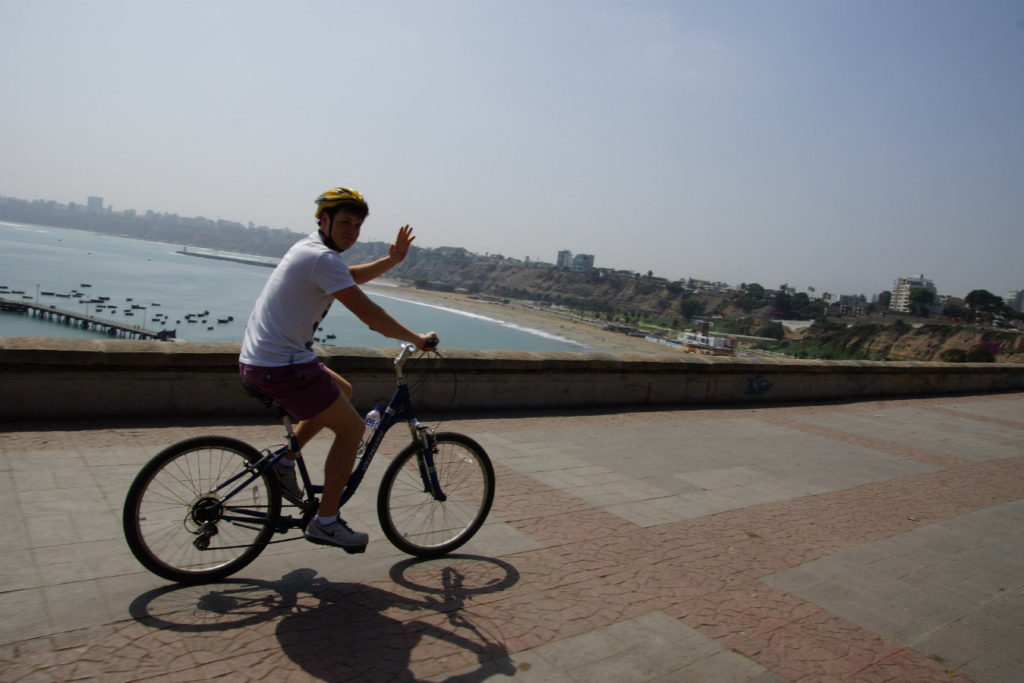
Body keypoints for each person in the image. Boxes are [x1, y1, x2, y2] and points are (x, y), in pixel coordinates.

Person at [239, 186, 437, 552]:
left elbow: (348, 277)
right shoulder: (322, 259)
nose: (352, 231)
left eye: (358, 226)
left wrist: (391, 260)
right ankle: (326, 522)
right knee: (353, 430)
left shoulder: (311, 250)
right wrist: (417, 339)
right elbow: (370, 315)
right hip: (282, 366)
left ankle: (285, 460)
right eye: (345, 223)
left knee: (341, 391)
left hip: (264, 361)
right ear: (324, 220)